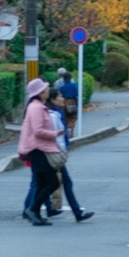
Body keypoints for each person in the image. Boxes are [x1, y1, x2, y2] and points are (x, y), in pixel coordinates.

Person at [40, 84, 95, 222]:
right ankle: (34, 209)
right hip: (54, 154)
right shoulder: (53, 115)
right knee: (61, 183)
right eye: (59, 96)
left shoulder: (56, 112)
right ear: (52, 99)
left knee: (45, 184)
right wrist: (61, 151)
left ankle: (42, 208)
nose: (62, 98)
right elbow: (55, 136)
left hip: (53, 153)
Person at [17, 77, 61, 226]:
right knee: (52, 182)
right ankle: (33, 209)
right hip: (38, 149)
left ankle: (34, 212)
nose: (48, 90)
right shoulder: (36, 108)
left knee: (42, 183)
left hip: (39, 148)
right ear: (40, 92)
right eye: (46, 89)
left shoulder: (37, 106)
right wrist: (55, 133)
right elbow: (38, 131)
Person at [55, 68, 81, 134]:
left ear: (63, 79)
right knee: (73, 116)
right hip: (72, 102)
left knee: (65, 116)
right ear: (70, 78)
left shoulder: (62, 87)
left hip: (64, 103)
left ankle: (66, 129)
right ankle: (70, 128)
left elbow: (60, 95)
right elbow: (77, 94)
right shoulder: (74, 85)